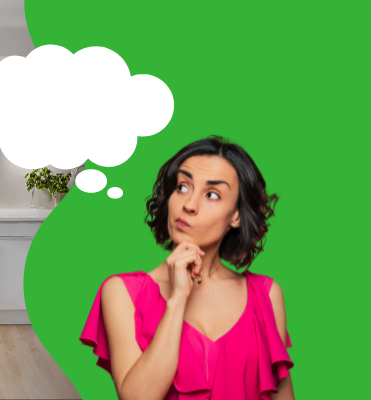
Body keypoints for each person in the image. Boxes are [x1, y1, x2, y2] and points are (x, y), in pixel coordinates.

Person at [80, 136, 293, 399]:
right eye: (182, 187)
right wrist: (178, 299)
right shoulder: (122, 292)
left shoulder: (266, 295)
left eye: (212, 194)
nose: (189, 205)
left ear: (236, 215)